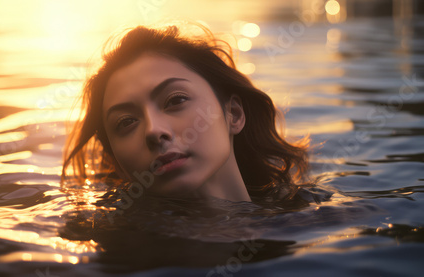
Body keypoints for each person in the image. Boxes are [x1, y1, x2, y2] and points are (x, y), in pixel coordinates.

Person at [61, 24, 310, 204]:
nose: (153, 131)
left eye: (176, 100)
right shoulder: (111, 257)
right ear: (117, 161)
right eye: (126, 122)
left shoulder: (320, 220)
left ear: (233, 114)